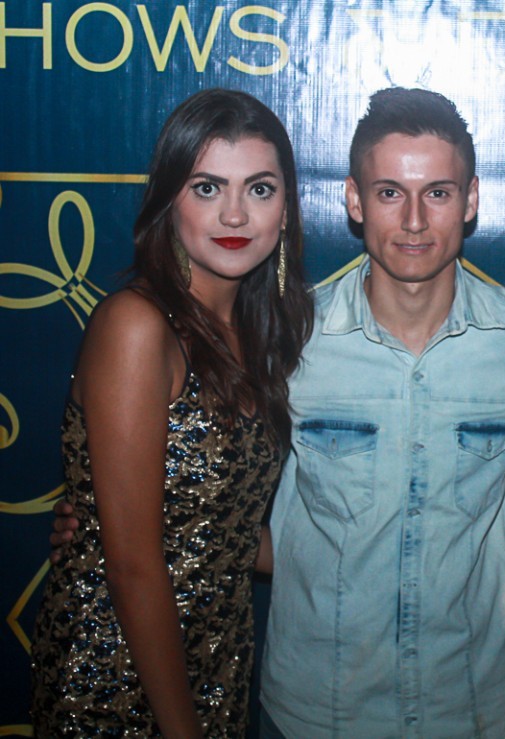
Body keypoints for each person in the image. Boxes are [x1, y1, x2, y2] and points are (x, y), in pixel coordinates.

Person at [47, 88, 505, 737]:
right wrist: (117, 522)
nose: (416, 220)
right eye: (390, 192)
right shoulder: (290, 341)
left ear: (472, 199)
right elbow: (214, 492)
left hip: (475, 706)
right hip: (316, 711)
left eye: (439, 193)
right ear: (354, 201)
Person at [30, 88, 314, 737]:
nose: (235, 213)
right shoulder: (137, 325)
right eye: (207, 187)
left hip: (219, 657)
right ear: (169, 200)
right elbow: (133, 563)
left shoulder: (262, 335)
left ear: (287, 210)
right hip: (116, 672)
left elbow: (224, 531)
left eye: (260, 189)